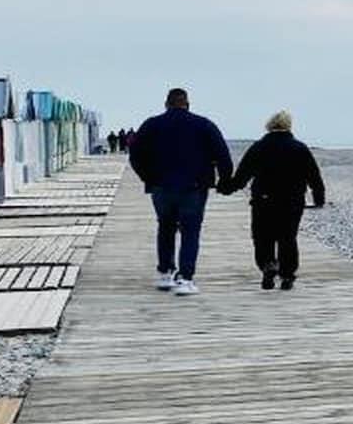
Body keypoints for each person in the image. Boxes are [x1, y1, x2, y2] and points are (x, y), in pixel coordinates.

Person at [128, 88, 232, 295]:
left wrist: (148, 178)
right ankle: (185, 278)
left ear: (166, 104)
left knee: (165, 227)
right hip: (194, 187)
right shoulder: (204, 125)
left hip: (161, 187)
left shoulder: (152, 124)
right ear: (188, 104)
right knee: (190, 230)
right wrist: (224, 181)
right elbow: (223, 155)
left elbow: (135, 154)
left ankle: (165, 273)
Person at [220, 110, 326, 290]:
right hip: (292, 200)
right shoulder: (299, 148)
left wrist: (226, 188)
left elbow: (243, 174)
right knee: (288, 237)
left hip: (264, 199)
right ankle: (287, 275)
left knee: (263, 236)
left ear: (269, 126)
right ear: (289, 126)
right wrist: (319, 198)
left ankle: (268, 265)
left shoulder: (259, 147)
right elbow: (314, 176)